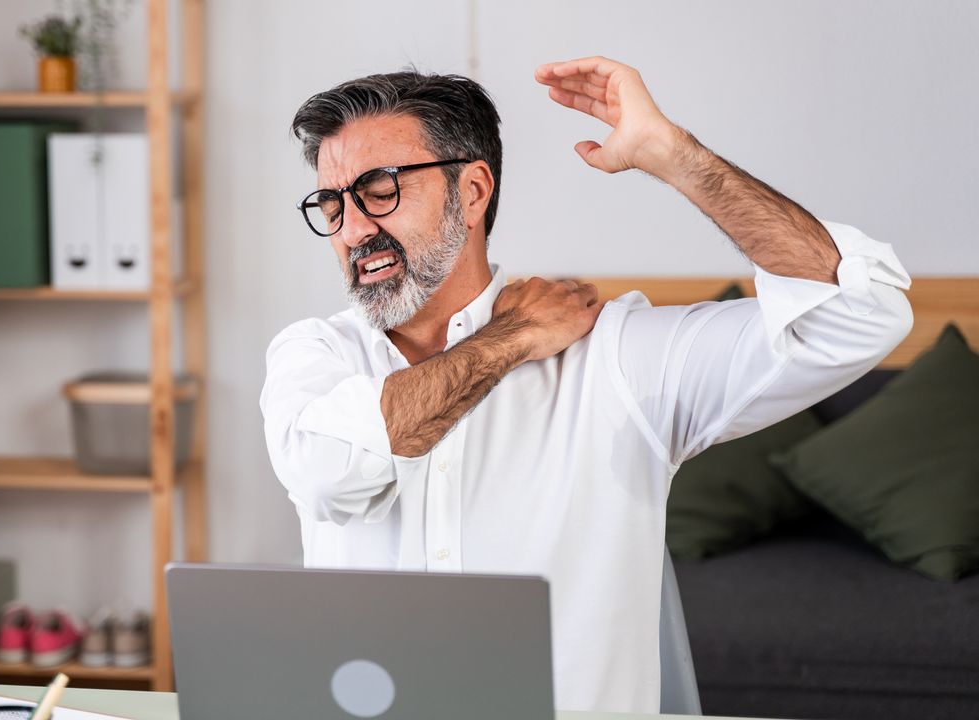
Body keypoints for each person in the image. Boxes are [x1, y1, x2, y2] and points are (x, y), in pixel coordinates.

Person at [260, 56, 913, 713]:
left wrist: (672, 154)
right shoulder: (315, 355)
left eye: (379, 191)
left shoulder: (615, 357)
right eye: (332, 203)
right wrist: (510, 340)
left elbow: (859, 316)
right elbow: (329, 472)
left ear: (472, 191)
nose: (352, 230)